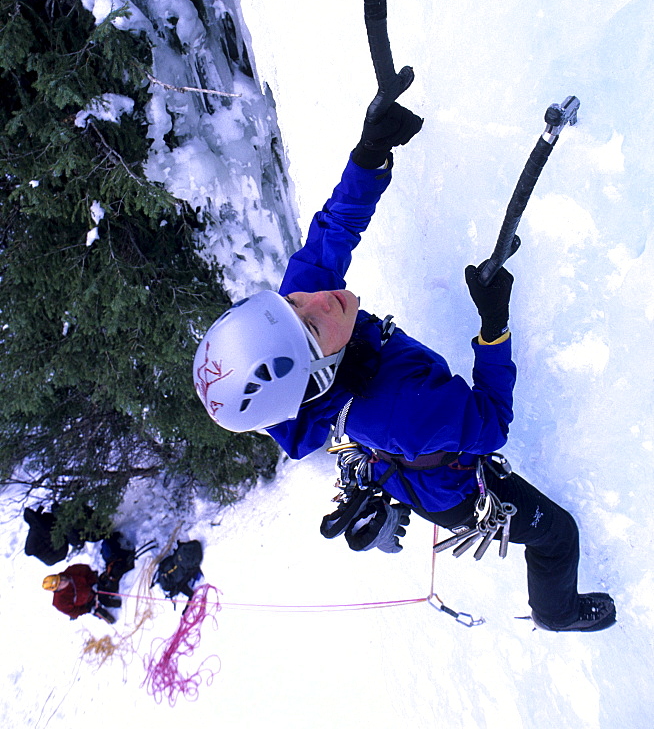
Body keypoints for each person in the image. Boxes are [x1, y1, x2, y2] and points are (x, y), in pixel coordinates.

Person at [193, 103, 616, 633]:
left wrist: (370, 156)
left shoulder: (297, 326)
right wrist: (494, 325)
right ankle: (559, 614)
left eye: (294, 305)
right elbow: (490, 422)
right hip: (451, 490)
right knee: (558, 535)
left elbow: (331, 236)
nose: (320, 301)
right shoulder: (401, 410)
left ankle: (387, 499)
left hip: (391, 457)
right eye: (311, 323)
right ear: (319, 373)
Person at [42, 564, 116, 624]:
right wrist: (88, 610)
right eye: (59, 583)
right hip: (88, 604)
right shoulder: (60, 602)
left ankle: (111, 598)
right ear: (57, 589)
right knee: (103, 614)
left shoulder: (71, 571)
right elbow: (74, 612)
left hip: (93, 589)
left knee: (109, 589)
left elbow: (86, 570)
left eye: (60, 578)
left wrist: (93, 583)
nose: (63, 580)